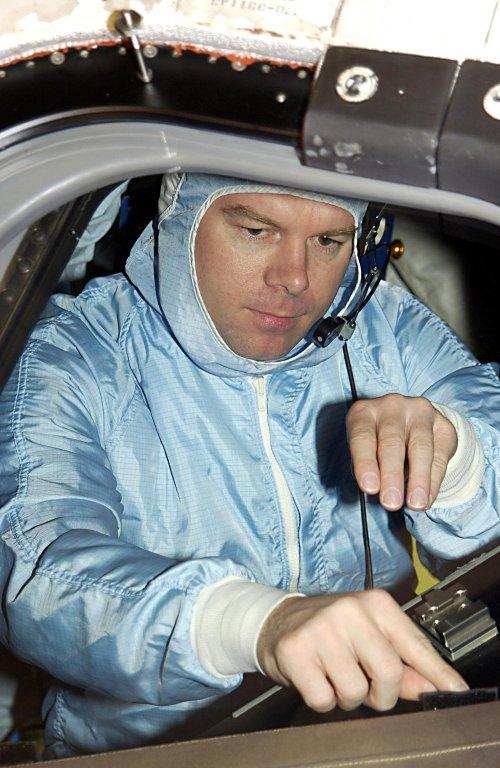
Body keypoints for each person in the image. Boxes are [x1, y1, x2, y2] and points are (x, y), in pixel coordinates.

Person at [0, 173, 498, 758]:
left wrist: (459, 457)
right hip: (153, 752)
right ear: (178, 219)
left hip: (375, 727)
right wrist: (253, 624)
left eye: (329, 243)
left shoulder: (385, 328)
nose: (294, 278)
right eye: (257, 230)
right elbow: (35, 570)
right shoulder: (73, 351)